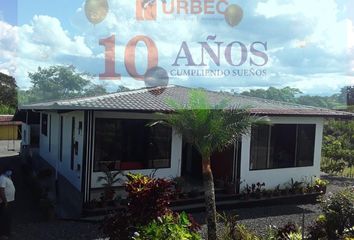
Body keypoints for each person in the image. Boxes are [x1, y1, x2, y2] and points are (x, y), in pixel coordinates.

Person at [0, 167, 15, 239]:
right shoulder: (2, 178)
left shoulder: (7, 177)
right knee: (4, 218)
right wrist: (5, 201)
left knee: (8, 217)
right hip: (6, 201)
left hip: (10, 200)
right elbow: (1, 190)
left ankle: (7, 232)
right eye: (9, 171)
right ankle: (3, 234)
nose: (10, 172)